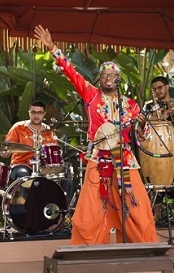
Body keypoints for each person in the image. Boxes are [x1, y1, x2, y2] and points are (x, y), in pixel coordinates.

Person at [34, 25, 157, 245]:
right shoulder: (91, 95)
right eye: (104, 75)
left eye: (112, 75)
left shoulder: (131, 105)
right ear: (100, 78)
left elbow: (142, 137)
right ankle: (87, 250)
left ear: (118, 78)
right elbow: (71, 72)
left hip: (125, 160)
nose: (108, 78)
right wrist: (53, 47)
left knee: (135, 204)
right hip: (98, 157)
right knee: (91, 208)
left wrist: (143, 124)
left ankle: (142, 247)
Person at [3, 100, 59, 180]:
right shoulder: (18, 127)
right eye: (33, 112)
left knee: (64, 180)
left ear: (44, 114)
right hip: (21, 164)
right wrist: (4, 152)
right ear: (29, 113)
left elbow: (54, 153)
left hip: (44, 168)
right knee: (24, 176)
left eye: (39, 113)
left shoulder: (49, 131)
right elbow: (7, 147)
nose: (36, 115)